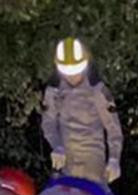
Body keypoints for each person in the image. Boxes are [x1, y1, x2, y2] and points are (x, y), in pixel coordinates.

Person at [43, 37, 123, 185]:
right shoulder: (53, 90)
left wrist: (114, 159)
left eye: (76, 71)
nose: (72, 76)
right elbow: (48, 123)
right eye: (67, 72)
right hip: (66, 162)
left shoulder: (97, 90)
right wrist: (56, 145)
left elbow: (113, 129)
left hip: (94, 163)